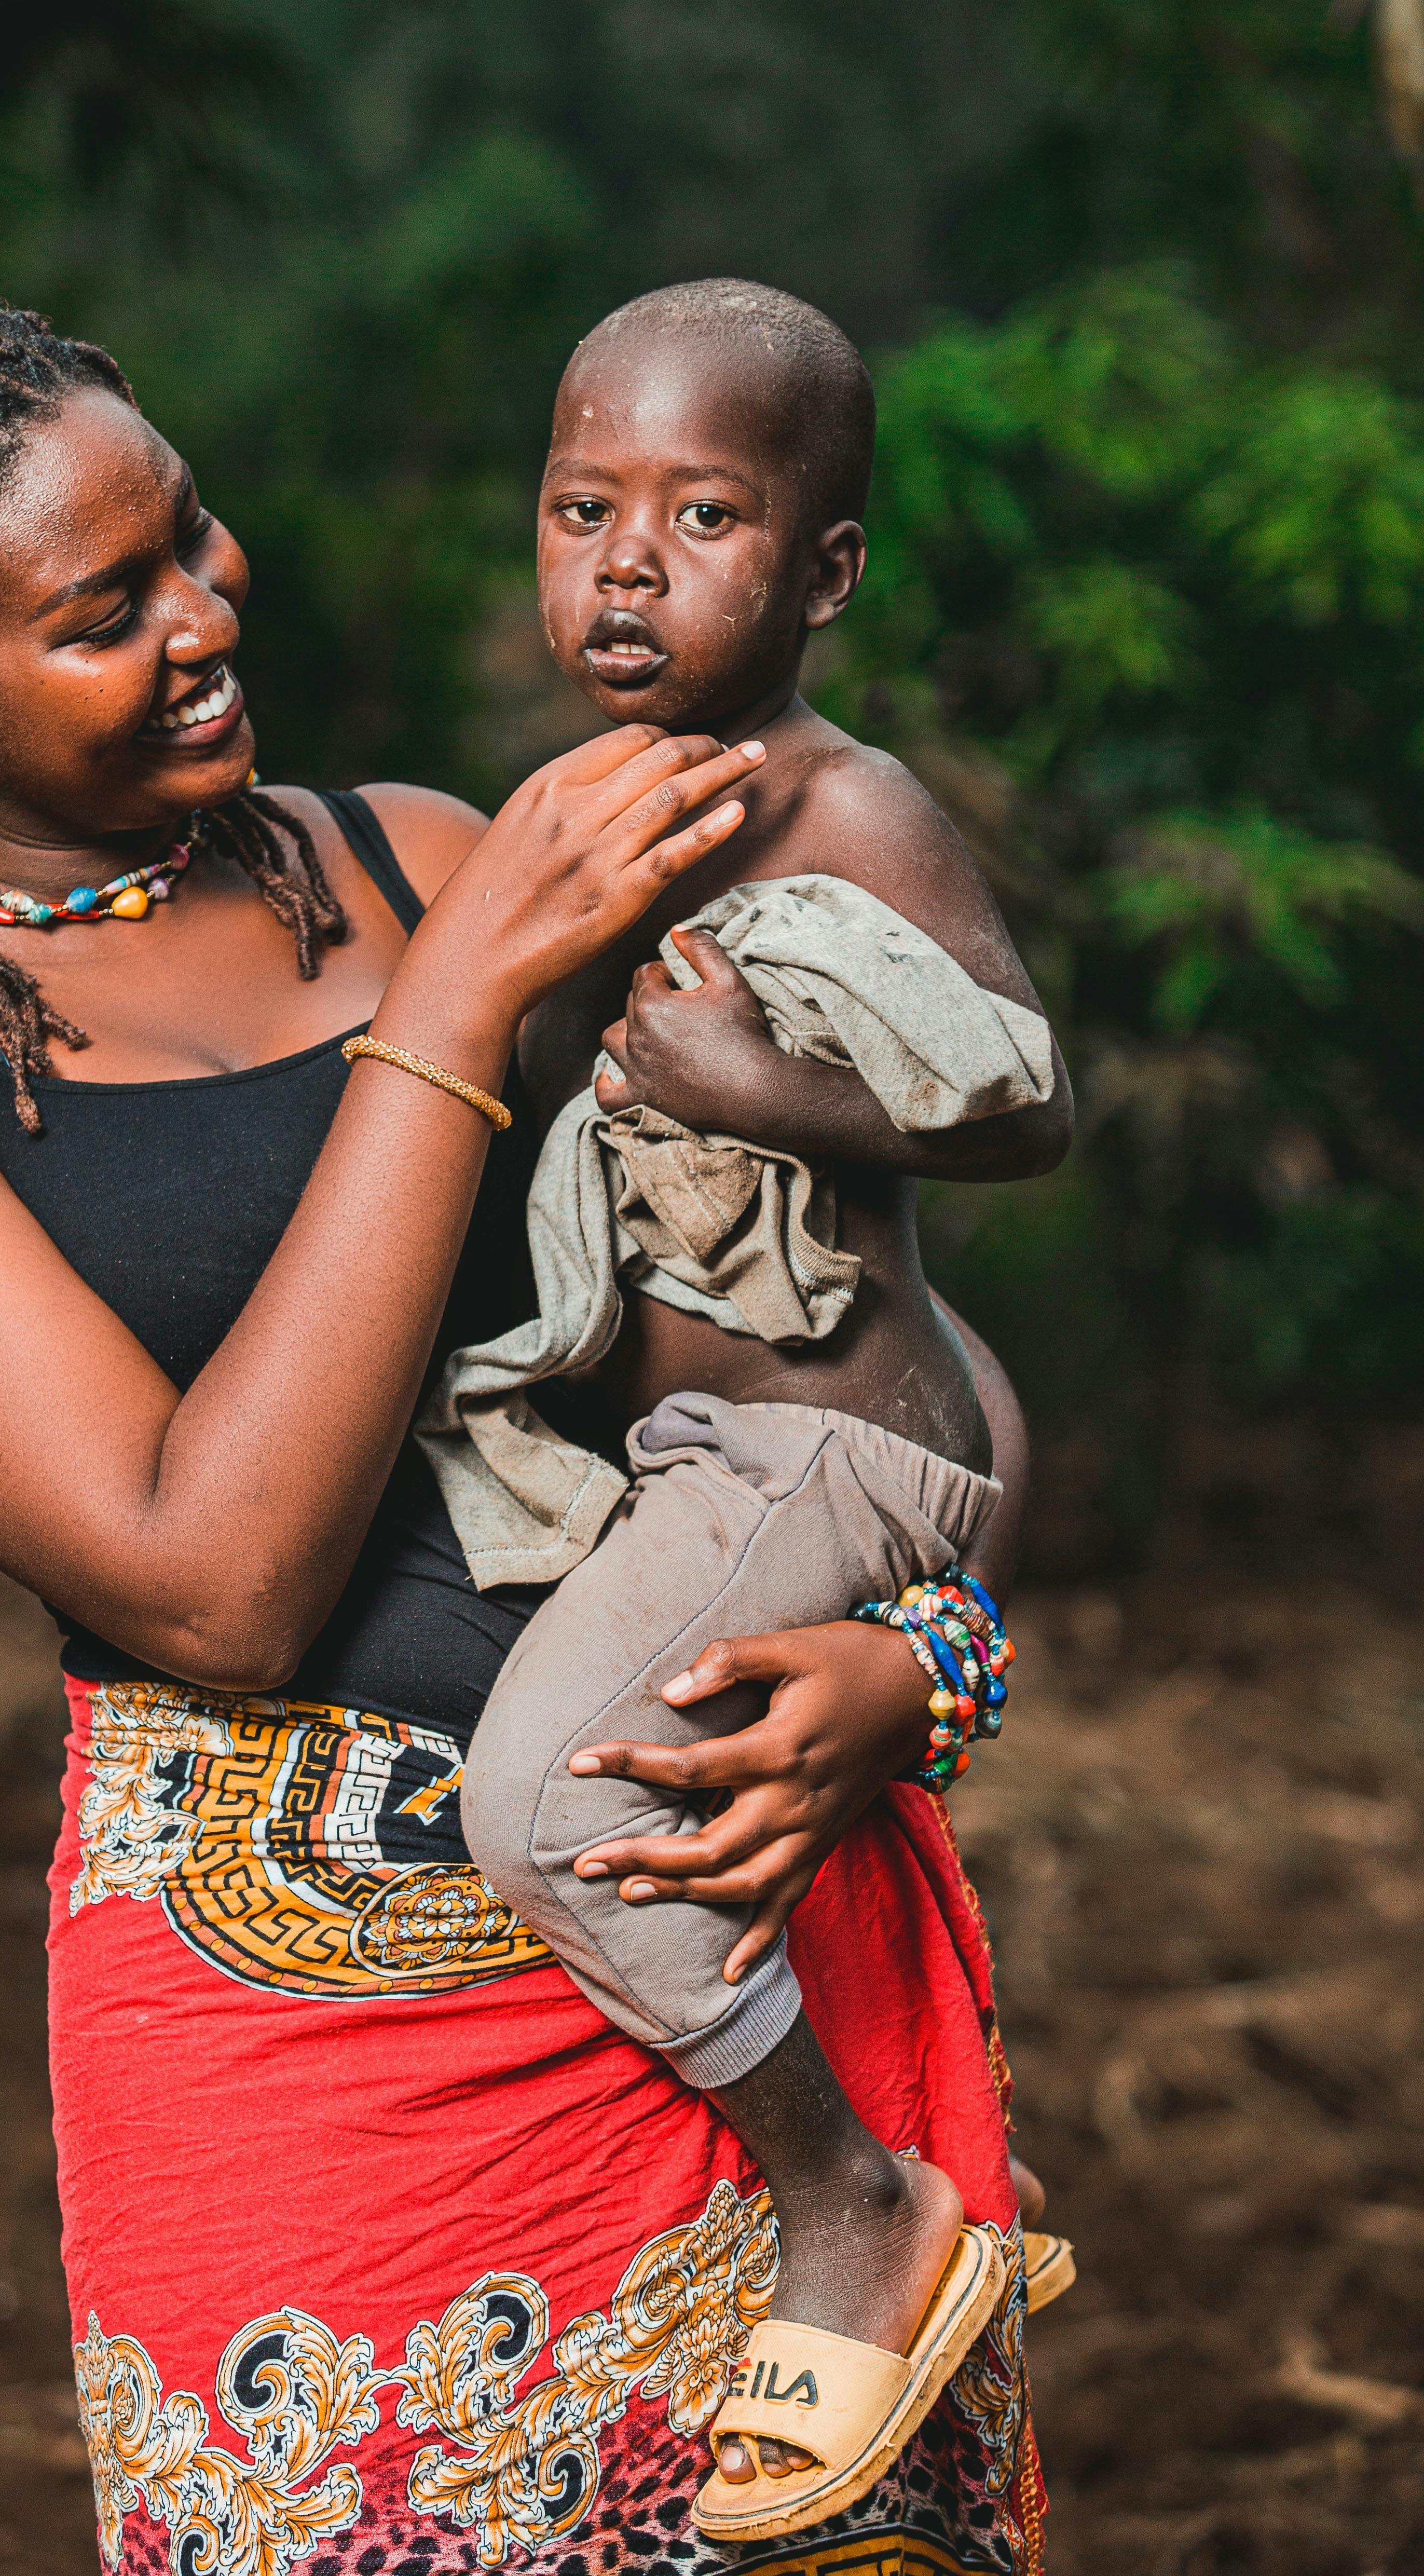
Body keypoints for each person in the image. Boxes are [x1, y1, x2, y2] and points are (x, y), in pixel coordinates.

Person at [0, 287, 1045, 2576]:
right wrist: (461, 1012)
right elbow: (206, 1576)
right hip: (302, 2047)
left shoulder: (424, 848)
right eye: (106, 611)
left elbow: (881, 1335)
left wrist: (933, 1668)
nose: (206, 615)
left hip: (733, 1921)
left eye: (192, 539)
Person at [439, 280, 1074, 2543]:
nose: (625, 565)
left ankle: (854, 2199)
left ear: (823, 571)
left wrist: (764, 1082)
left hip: (836, 1447)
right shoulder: (574, 814)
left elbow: (1027, 1104)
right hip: (716, 1458)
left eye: (703, 516)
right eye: (580, 507)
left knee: (538, 1796)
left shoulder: (845, 805)